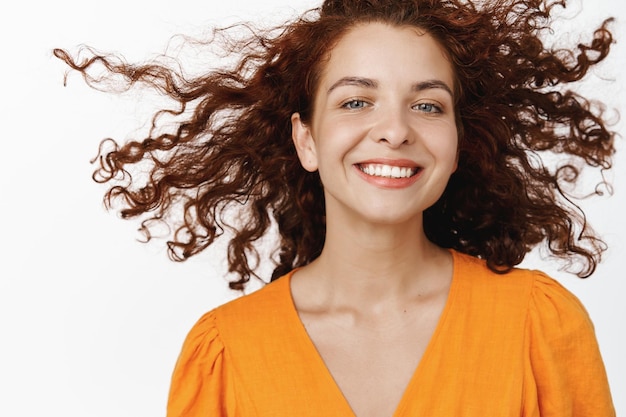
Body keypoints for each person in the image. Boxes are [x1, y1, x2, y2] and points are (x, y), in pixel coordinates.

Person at [55, 0, 616, 415]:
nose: (395, 130)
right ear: (307, 140)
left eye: (427, 105)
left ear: (458, 143)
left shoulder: (538, 325)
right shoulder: (224, 353)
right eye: (356, 101)